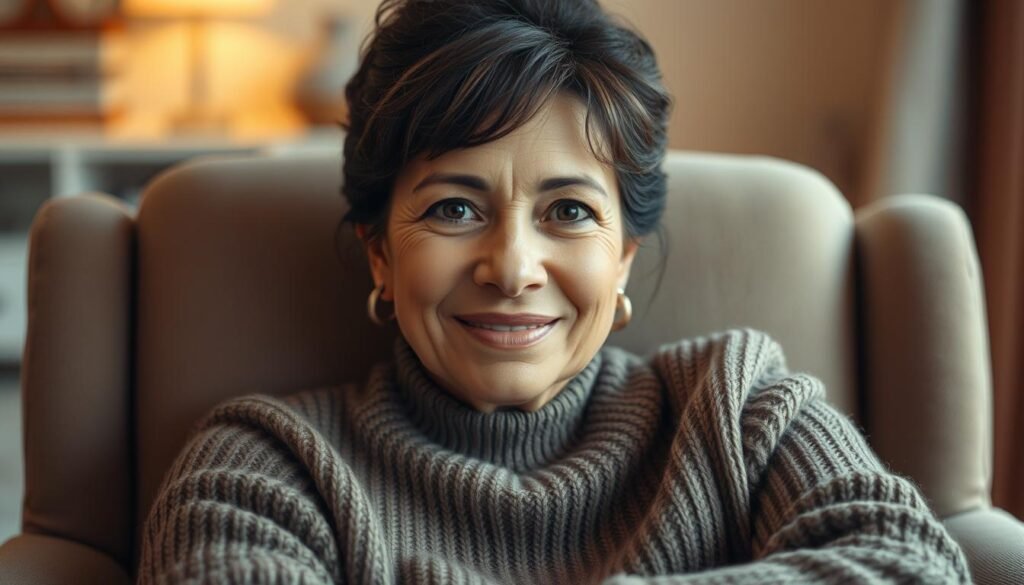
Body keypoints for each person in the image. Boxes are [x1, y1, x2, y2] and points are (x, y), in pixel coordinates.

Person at [138, 1, 971, 583]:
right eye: (454, 208)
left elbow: (909, 564)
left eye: (568, 211)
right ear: (382, 256)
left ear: (623, 259)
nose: (512, 267)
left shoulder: (742, 410)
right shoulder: (265, 464)